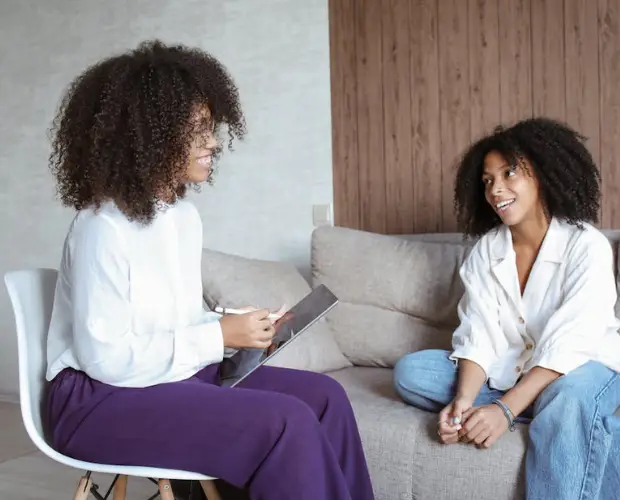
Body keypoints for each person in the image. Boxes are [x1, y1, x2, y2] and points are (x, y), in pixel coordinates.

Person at [44, 40, 374, 500]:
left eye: (211, 128)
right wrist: (219, 337)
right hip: (96, 401)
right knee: (286, 422)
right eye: (198, 130)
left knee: (325, 399)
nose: (214, 143)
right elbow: (107, 360)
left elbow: (170, 325)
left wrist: (234, 325)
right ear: (149, 135)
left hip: (164, 378)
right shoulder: (101, 228)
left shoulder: (181, 218)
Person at [393, 117, 620, 499]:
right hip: (509, 373)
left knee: (568, 397)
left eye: (509, 174)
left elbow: (570, 343)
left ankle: (560, 413)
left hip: (582, 369)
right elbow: (479, 333)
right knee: (413, 372)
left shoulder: (585, 245)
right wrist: (464, 403)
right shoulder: (487, 251)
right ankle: (564, 419)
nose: (496, 189)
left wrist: (503, 412)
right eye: (488, 180)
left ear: (542, 174)